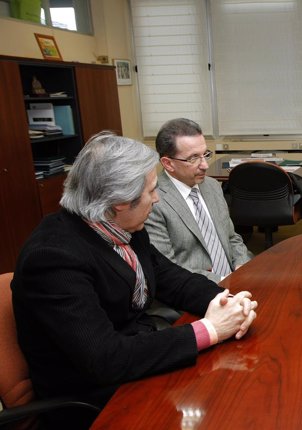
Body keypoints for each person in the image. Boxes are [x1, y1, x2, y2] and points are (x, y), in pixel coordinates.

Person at [11, 132, 258, 429]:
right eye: (151, 191)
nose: (156, 199)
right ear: (118, 202)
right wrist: (210, 329)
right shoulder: (53, 258)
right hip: (94, 398)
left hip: (138, 363)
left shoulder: (121, 226)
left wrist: (225, 302)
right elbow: (104, 359)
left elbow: (171, 278)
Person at [145, 118, 252, 283]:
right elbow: (168, 268)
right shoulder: (154, 201)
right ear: (168, 163)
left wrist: (241, 267)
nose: (205, 165)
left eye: (205, 155)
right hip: (196, 291)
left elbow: (232, 237)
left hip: (236, 280)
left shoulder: (213, 186)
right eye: (193, 158)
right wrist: (224, 281)